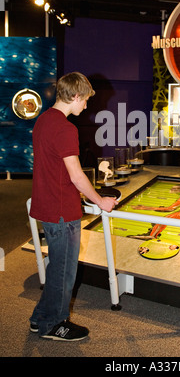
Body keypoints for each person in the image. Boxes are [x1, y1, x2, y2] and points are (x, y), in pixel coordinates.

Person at [29, 72, 118, 341]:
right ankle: (53, 325)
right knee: (65, 271)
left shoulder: (43, 121)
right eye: (86, 100)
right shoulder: (66, 129)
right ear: (76, 96)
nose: (87, 106)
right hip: (61, 210)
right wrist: (100, 201)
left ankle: (39, 318)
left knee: (57, 266)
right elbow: (76, 175)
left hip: (46, 205)